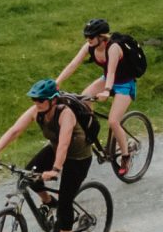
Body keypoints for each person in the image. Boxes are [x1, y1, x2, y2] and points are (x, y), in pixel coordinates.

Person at [0, 78, 93, 232]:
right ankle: (49, 202)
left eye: (41, 100)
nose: (37, 103)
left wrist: (55, 169)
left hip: (78, 157)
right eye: (34, 100)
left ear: (53, 100)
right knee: (28, 175)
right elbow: (15, 130)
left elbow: (65, 142)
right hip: (55, 148)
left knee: (66, 200)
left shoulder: (65, 113)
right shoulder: (37, 112)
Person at [52, 18, 143, 174]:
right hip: (106, 79)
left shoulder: (113, 47)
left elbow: (112, 71)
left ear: (101, 36)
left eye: (91, 37)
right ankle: (93, 131)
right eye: (86, 37)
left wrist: (107, 91)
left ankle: (126, 156)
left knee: (114, 121)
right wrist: (56, 82)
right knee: (82, 100)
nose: (88, 39)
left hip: (124, 84)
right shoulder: (90, 47)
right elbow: (73, 64)